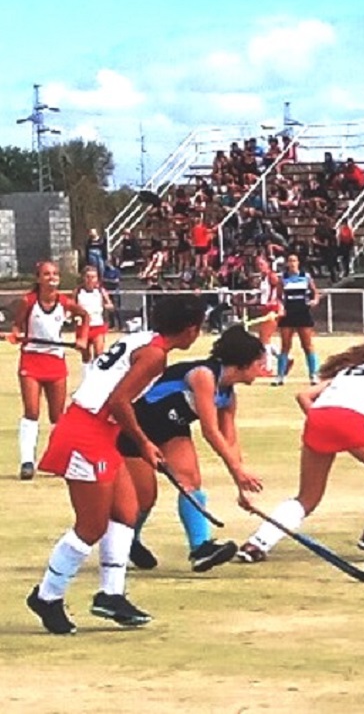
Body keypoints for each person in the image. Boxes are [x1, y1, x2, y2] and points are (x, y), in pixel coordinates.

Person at [26, 294, 206, 635]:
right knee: (91, 526)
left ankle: (111, 594)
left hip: (100, 430)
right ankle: (47, 595)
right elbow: (119, 401)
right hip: (86, 432)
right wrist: (144, 442)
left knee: (126, 511)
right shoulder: (155, 356)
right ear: (190, 329)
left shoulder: (143, 339)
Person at [237, 331, 364, 562]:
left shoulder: (349, 371)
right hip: (351, 421)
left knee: (307, 498)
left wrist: (328, 425)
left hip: (318, 419)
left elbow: (304, 395)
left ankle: (257, 544)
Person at [121, 326, 266, 573]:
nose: (263, 369)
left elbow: (230, 441)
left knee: (190, 482)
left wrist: (241, 485)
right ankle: (126, 542)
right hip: (137, 429)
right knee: (145, 498)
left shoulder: (228, 396)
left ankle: (200, 549)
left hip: (172, 429)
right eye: (259, 364)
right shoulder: (203, 376)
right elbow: (210, 431)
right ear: (243, 363)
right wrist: (238, 472)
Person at [9, 261, 90, 480]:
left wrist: (82, 338)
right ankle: (27, 462)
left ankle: (59, 459)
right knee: (32, 411)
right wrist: (16, 334)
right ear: (38, 279)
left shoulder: (64, 302)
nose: (51, 277)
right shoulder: (28, 301)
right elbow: (17, 325)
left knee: (57, 416)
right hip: (32, 360)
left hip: (55, 361)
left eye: (55, 274)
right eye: (46, 274)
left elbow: (85, 316)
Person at [274, 253, 320, 386]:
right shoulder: (283, 278)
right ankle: (280, 376)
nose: (292, 263)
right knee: (285, 345)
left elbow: (315, 292)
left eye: (294, 261)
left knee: (307, 345)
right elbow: (278, 296)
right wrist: (280, 307)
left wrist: (314, 301)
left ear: (298, 263)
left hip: (303, 312)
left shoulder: (305, 277)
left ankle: (313, 374)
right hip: (288, 313)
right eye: (290, 261)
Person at [75, 265, 115, 364]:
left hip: (97, 325)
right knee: (86, 356)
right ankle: (87, 371)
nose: (90, 280)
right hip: (83, 327)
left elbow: (110, 305)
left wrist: (107, 306)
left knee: (99, 353)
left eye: (93, 277)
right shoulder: (78, 291)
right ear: (83, 278)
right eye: (88, 277)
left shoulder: (101, 291)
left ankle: (97, 371)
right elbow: (72, 306)